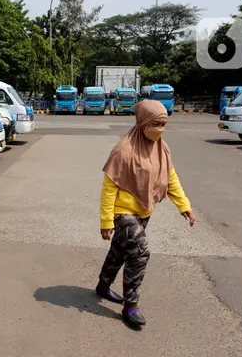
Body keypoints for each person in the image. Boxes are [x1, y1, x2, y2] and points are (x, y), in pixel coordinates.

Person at [95, 100, 196, 327]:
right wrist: (106, 221)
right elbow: (109, 189)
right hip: (123, 212)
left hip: (144, 211)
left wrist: (185, 206)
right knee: (140, 252)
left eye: (164, 123)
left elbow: (170, 179)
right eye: (156, 123)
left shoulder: (162, 147)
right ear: (143, 123)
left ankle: (103, 285)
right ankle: (131, 305)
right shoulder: (123, 150)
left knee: (120, 251)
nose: (160, 128)